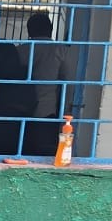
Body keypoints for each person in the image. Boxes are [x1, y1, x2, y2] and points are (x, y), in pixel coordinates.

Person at [25, 12, 74, 156]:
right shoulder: (60, 50)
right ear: (50, 29)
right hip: (47, 112)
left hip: (20, 112)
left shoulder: (21, 50)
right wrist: (67, 110)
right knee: (45, 153)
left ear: (29, 30)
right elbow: (68, 81)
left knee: (22, 150)